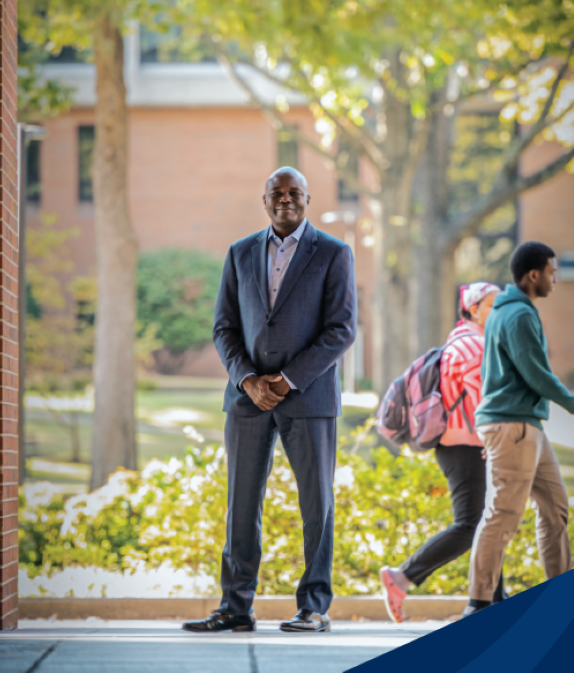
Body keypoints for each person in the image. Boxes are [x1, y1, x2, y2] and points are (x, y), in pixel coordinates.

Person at [183, 167, 357, 634]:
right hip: (247, 400)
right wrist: (247, 380)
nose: (285, 199)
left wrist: (287, 379)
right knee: (241, 505)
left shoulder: (334, 252)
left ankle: (314, 607)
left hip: (309, 398)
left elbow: (341, 329)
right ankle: (235, 607)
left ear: (307, 199)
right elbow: (224, 327)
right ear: (264, 201)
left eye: (294, 192)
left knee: (316, 505)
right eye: (276, 193)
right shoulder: (240, 252)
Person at [378, 282, 506, 623]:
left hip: (461, 446)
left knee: (487, 526)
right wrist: (493, 440)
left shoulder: (460, 340)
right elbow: (484, 401)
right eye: (491, 304)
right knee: (471, 525)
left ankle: (496, 600)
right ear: (473, 309)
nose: (499, 310)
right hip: (469, 447)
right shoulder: (474, 345)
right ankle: (402, 576)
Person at [463, 241, 574, 617]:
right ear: (533, 275)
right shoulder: (518, 314)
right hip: (513, 426)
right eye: (551, 273)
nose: (555, 280)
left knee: (555, 508)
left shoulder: (508, 311)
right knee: (503, 515)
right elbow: (537, 374)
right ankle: (478, 604)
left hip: (526, 425)